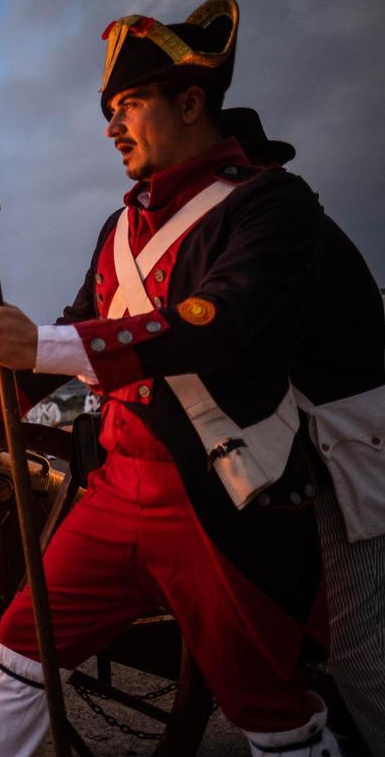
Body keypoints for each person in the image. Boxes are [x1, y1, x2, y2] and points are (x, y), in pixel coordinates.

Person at [0, 0, 342, 756]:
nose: (112, 127)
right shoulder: (120, 228)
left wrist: (41, 342)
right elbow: (69, 331)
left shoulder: (272, 204)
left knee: (270, 708)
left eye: (131, 105)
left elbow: (219, 321)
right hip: (115, 493)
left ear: (191, 100)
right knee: (17, 649)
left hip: (220, 496)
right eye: (111, 109)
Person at [223, 106, 385, 756]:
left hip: (355, 453)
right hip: (324, 450)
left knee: (362, 650)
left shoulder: (287, 235)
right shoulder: (281, 230)